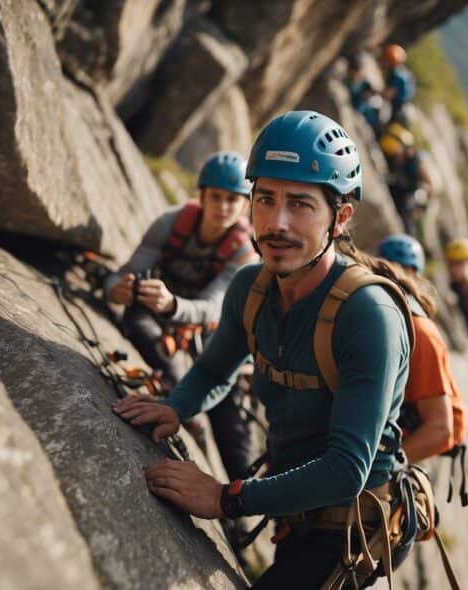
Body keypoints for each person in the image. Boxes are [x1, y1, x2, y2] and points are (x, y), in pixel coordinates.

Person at [113, 111, 415, 588]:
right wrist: (175, 407)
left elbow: (346, 470)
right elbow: (216, 367)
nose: (276, 223)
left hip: (349, 523)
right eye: (265, 199)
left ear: (341, 217)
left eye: (300, 205)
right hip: (294, 502)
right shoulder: (251, 286)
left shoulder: (367, 315)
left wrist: (226, 497)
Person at [104, 151, 257, 480]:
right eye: (216, 196)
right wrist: (118, 289)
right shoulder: (171, 224)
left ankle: (241, 502)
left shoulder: (244, 251)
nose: (223, 207)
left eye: (233, 199)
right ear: (201, 195)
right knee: (153, 343)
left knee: (233, 432)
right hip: (157, 319)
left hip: (211, 334)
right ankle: (189, 422)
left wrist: (172, 305)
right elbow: (123, 274)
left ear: (245, 204)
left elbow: (213, 307)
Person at [376, 234, 466, 463]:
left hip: (396, 451)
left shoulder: (421, 333)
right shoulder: (372, 316)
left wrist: (384, 469)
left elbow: (439, 429)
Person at [379, 123, 433, 237]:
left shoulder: (415, 161)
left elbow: (429, 185)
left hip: (409, 196)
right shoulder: (390, 154)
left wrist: (421, 208)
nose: (395, 157)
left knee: (407, 223)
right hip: (397, 192)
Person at [380, 43, 415, 126]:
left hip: (399, 107)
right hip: (403, 104)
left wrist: (373, 93)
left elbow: (388, 94)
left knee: (390, 126)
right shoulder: (402, 71)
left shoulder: (396, 75)